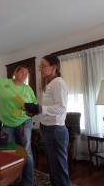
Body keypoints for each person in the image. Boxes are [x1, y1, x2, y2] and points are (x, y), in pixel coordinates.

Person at [0, 65, 37, 186]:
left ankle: (28, 182)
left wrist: (30, 112)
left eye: (26, 74)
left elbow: (34, 107)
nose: (24, 75)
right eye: (22, 72)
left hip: (24, 122)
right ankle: (11, 181)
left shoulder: (28, 89)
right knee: (8, 152)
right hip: (7, 124)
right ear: (15, 73)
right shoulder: (2, 83)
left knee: (26, 151)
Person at [25, 55, 71, 186]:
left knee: (59, 169)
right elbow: (48, 108)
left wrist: (39, 108)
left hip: (55, 130)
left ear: (54, 67)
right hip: (48, 129)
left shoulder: (58, 83)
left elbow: (61, 108)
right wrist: (35, 111)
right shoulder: (50, 84)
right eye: (40, 66)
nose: (40, 69)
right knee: (53, 168)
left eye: (43, 66)